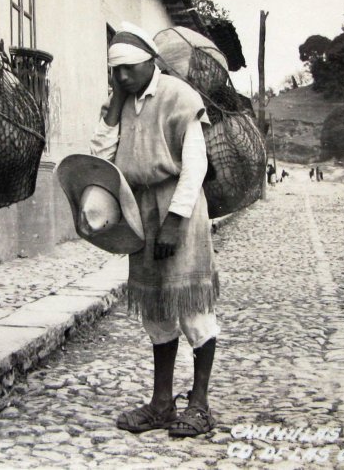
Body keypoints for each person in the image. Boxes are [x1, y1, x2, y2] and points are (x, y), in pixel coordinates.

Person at [90, 25, 219, 438]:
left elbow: (195, 164)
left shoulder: (180, 97)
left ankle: (199, 405)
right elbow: (101, 157)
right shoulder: (122, 103)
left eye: (129, 68)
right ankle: (161, 404)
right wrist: (112, 109)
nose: (123, 77)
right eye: (115, 72)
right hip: (139, 208)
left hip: (177, 205)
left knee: (192, 309)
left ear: (151, 60)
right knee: (157, 314)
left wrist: (175, 221)